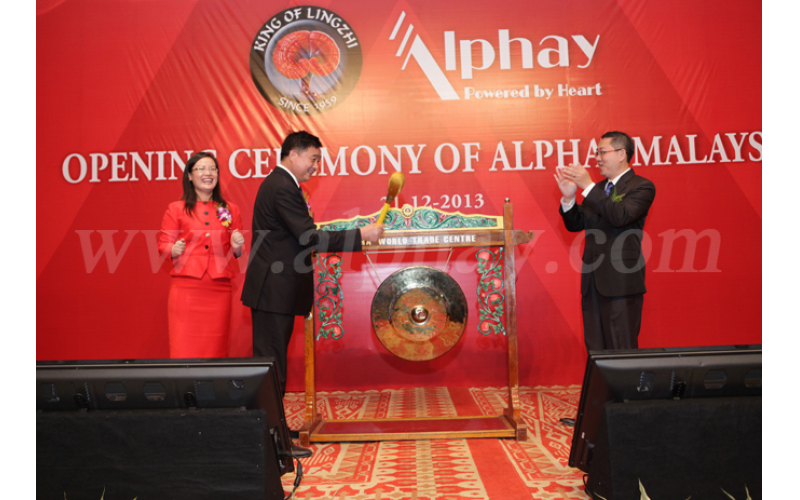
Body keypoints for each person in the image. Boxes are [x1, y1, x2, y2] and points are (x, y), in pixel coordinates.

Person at [241, 131, 384, 399]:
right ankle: (267, 424)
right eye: (313, 159)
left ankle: (270, 422)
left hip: (275, 290)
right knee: (270, 365)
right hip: (273, 289)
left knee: (271, 363)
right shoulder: (282, 186)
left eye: (319, 161)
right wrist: (360, 235)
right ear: (293, 154)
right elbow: (309, 237)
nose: (316, 166)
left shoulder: (283, 183)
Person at [555, 131, 656, 351]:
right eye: (597, 153)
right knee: (596, 349)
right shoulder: (599, 189)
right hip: (593, 282)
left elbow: (620, 216)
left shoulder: (642, 186)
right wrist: (569, 198)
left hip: (621, 282)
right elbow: (576, 224)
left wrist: (588, 187)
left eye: (602, 152)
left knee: (622, 348)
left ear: (621, 154)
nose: (598, 159)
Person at [158, 152, 245, 358]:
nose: (208, 173)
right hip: (186, 288)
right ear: (189, 176)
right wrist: (173, 250)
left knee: (216, 349)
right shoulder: (176, 209)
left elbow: (237, 251)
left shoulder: (230, 209)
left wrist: (237, 246)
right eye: (201, 169)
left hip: (219, 289)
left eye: (213, 169)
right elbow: (163, 244)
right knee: (183, 349)